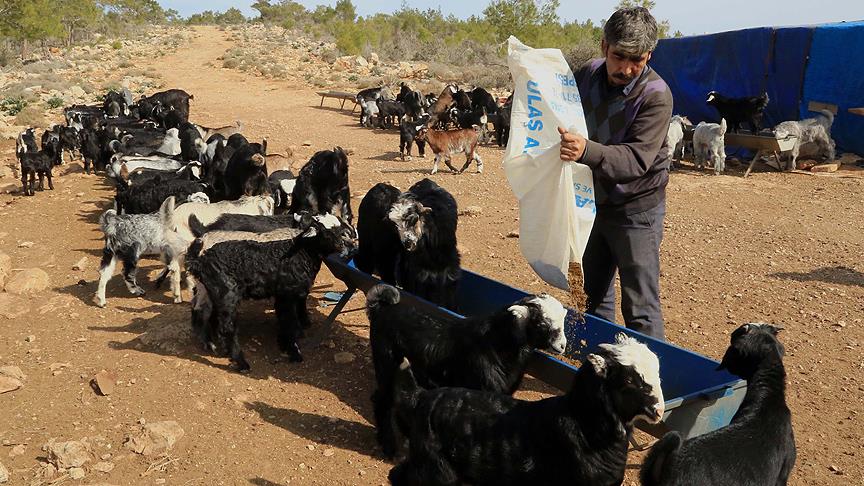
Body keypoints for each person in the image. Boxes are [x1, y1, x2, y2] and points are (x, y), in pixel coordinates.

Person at [559, 6, 673, 340]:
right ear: (603, 45)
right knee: (591, 297)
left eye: (636, 59)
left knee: (640, 307)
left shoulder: (656, 95)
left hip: (635, 211)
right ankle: (594, 369)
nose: (625, 68)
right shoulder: (588, 73)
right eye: (619, 56)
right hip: (591, 204)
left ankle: (648, 383)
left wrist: (585, 150)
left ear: (649, 54)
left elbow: (636, 160)